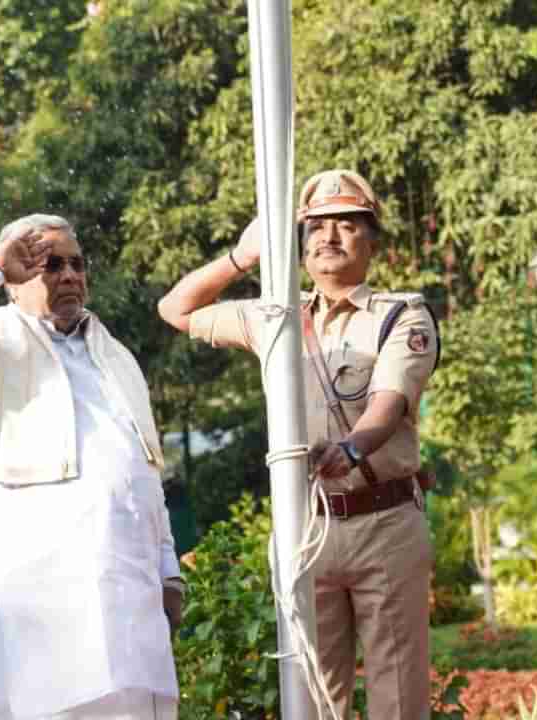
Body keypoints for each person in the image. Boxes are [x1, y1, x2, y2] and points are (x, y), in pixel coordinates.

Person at [157, 170, 439, 720]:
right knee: (309, 693)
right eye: (315, 227)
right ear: (300, 242)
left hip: (384, 520)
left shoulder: (401, 315)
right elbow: (176, 310)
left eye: (346, 226)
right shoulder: (276, 317)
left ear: (371, 241)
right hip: (307, 524)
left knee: (397, 698)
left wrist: (354, 448)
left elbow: (388, 401)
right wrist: (242, 258)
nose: (328, 237)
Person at [0, 214, 183, 720]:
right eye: (50, 266)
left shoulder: (116, 358)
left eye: (77, 264)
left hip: (130, 599)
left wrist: (169, 572)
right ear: (16, 280)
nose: (69, 276)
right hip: (43, 607)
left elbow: (144, 475)